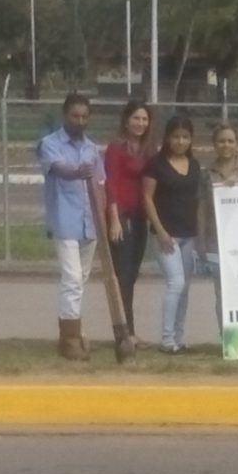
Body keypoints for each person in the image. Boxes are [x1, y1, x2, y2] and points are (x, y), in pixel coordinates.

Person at [38, 92, 105, 361]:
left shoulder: (92, 148)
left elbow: (100, 184)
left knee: (80, 281)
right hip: (65, 222)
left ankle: (76, 331)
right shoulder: (49, 144)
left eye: (85, 117)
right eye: (75, 116)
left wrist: (104, 217)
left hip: (90, 224)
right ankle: (68, 340)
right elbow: (59, 170)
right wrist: (78, 172)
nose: (80, 121)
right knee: (72, 279)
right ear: (65, 115)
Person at [196, 122, 238, 342]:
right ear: (214, 144)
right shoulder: (207, 173)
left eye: (230, 141)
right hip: (217, 242)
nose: (226, 145)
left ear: (237, 143)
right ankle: (228, 339)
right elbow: (202, 208)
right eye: (221, 141)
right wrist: (201, 241)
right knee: (223, 294)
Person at [142, 116, 201, 355]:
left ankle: (179, 337)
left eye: (185, 136)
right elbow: (146, 198)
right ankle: (167, 340)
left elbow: (196, 199)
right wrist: (161, 231)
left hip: (188, 234)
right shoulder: (156, 164)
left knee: (185, 287)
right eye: (176, 136)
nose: (180, 141)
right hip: (166, 236)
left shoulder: (194, 164)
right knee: (175, 283)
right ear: (167, 137)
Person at [103, 99, 153, 346]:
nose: (140, 123)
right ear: (126, 120)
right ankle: (125, 334)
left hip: (139, 217)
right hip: (121, 217)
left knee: (131, 275)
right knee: (122, 276)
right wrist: (114, 219)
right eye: (136, 118)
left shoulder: (146, 150)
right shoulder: (116, 148)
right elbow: (110, 183)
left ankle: (128, 331)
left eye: (144, 119)